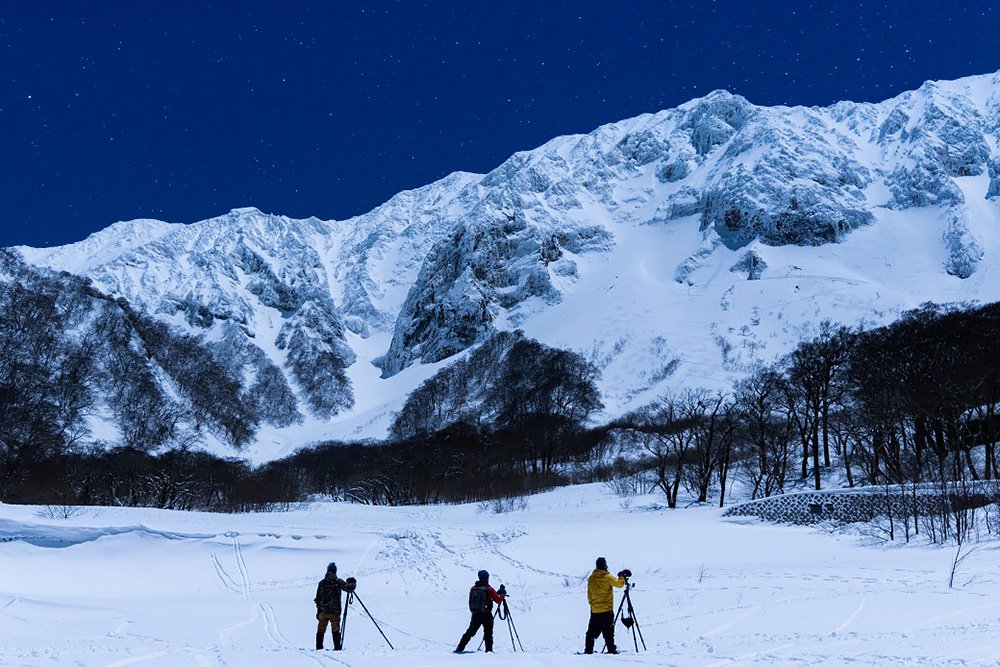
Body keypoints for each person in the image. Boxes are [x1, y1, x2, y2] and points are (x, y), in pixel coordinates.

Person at [455, 569, 506, 653]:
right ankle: (489, 651)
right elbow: (498, 600)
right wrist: (502, 594)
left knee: (470, 632)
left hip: (476, 614)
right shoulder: (489, 589)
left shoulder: (473, 588)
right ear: (487, 578)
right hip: (486, 614)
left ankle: (460, 648)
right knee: (488, 633)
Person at [584, 556, 627, 654]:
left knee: (591, 633)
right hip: (606, 610)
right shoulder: (607, 577)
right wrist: (622, 576)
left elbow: (589, 593)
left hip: (595, 610)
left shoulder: (591, 578)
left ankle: (588, 650)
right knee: (608, 632)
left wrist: (592, 604)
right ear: (604, 565)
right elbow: (620, 584)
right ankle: (611, 650)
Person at [314, 562, 356, 650]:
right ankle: (337, 647)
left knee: (321, 629)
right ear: (335, 571)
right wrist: (352, 582)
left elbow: (318, 598)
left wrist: (318, 611)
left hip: (323, 611)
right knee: (335, 629)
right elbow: (349, 588)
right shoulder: (338, 582)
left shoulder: (322, 583)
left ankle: (319, 647)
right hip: (335, 611)